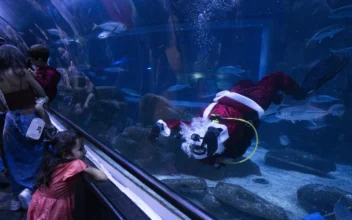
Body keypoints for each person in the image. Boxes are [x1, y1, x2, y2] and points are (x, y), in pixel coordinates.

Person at [148, 54, 350, 168]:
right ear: (214, 148)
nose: (194, 141)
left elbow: (179, 125)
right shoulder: (230, 143)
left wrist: (162, 126)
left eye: (194, 145)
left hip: (228, 95)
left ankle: (277, 96)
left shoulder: (195, 134)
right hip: (252, 103)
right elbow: (232, 126)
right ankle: (303, 92)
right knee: (276, 78)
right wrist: (214, 133)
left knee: (244, 81)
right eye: (202, 145)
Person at [0, 45, 48, 210]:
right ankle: (30, 191)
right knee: (35, 154)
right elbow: (42, 94)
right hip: (30, 119)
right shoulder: (24, 73)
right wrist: (40, 106)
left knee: (13, 157)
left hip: (10, 121)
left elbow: (1, 105)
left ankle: (15, 197)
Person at [27, 131, 108, 220]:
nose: (85, 151)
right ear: (66, 155)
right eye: (80, 149)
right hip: (53, 208)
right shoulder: (75, 165)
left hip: (39, 201)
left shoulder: (51, 159)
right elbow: (102, 177)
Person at [27, 44, 61, 139]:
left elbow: (45, 86)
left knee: (38, 107)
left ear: (39, 60)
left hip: (46, 96)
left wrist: (33, 76)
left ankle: (50, 127)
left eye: (33, 60)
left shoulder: (52, 73)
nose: (31, 62)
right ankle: (35, 134)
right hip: (37, 95)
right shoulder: (39, 68)